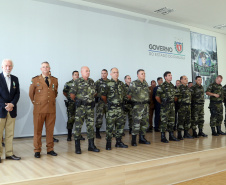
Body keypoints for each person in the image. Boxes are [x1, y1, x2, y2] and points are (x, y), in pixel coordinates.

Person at [29, 61, 58, 158]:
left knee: (50, 130)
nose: (45, 68)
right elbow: (31, 94)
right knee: (38, 130)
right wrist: (36, 103)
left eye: (47, 67)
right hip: (39, 109)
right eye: (43, 67)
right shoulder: (35, 80)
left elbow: (55, 93)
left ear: (49, 68)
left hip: (51, 109)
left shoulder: (54, 80)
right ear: (41, 69)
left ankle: (50, 149)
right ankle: (37, 150)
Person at [70, 66, 100, 154]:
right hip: (80, 108)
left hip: (90, 108)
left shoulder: (91, 82)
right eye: (86, 71)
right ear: (82, 72)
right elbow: (72, 95)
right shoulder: (77, 82)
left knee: (90, 126)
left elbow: (95, 93)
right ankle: (77, 147)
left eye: (89, 71)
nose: (88, 72)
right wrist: (78, 102)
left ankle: (91, 145)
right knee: (78, 127)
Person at [101, 68, 128, 150]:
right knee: (110, 127)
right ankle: (108, 143)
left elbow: (124, 95)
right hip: (111, 109)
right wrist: (108, 103)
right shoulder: (107, 84)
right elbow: (103, 96)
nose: (116, 74)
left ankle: (118, 142)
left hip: (120, 108)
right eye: (114, 72)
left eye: (117, 72)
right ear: (110, 74)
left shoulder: (121, 84)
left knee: (120, 126)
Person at [0, 59, 21, 163]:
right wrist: (5, 105)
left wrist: (12, 104)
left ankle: (9, 153)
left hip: (12, 110)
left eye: (10, 66)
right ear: (2, 67)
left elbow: (17, 94)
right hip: (1, 110)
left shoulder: (15, 79)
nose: (8, 68)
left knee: (10, 133)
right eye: (6, 66)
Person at [128, 69, 150, 146]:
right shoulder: (133, 83)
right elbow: (129, 95)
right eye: (141, 73)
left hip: (145, 106)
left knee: (144, 123)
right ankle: (133, 140)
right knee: (136, 123)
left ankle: (142, 138)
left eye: (144, 73)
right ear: (137, 75)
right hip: (137, 106)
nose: (143, 75)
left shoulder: (145, 83)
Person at [156, 71, 179, 143]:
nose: (171, 76)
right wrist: (162, 103)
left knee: (171, 121)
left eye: (171, 75)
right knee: (164, 122)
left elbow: (175, 96)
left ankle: (171, 136)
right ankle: (163, 137)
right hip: (165, 107)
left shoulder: (172, 86)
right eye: (169, 75)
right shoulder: (162, 86)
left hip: (172, 106)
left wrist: (172, 101)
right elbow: (157, 97)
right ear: (165, 77)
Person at [63, 71, 85, 141]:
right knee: (70, 119)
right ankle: (69, 136)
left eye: (78, 75)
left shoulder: (81, 83)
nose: (77, 76)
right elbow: (64, 92)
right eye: (75, 75)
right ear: (72, 76)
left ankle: (78, 135)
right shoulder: (68, 83)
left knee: (79, 120)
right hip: (71, 104)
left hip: (79, 104)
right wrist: (70, 99)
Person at [95, 69, 110, 139]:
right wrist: (99, 95)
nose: (103, 75)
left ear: (107, 74)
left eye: (104, 73)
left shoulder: (110, 82)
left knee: (109, 118)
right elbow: (94, 92)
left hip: (108, 103)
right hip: (100, 103)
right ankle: (97, 132)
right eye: (102, 73)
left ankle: (109, 132)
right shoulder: (98, 82)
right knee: (99, 118)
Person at [49, 71, 59, 143]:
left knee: (51, 123)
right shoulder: (38, 80)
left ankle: (51, 137)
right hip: (41, 106)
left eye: (49, 72)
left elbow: (55, 92)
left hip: (51, 106)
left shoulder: (54, 81)